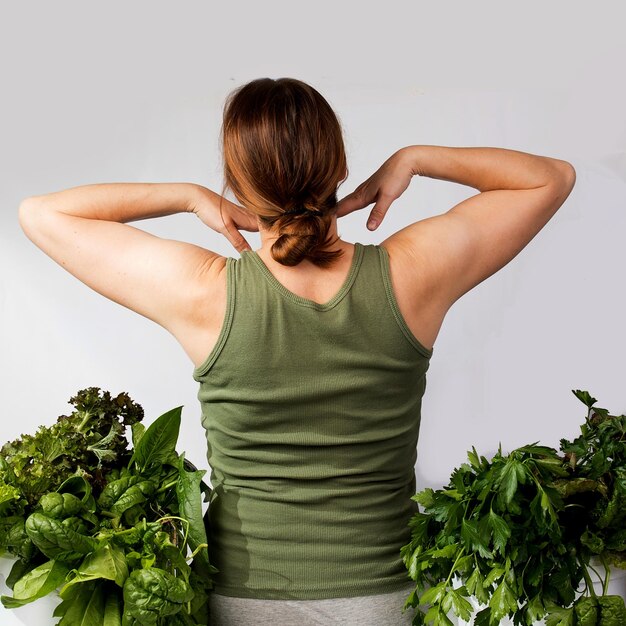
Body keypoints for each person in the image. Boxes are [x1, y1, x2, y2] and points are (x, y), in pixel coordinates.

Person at [17, 77, 576, 625]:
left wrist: (189, 197)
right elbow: (549, 179)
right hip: (384, 598)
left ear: (237, 188)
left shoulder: (205, 291)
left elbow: (42, 215)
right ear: (340, 170)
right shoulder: (410, 274)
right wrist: (416, 158)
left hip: (247, 600)